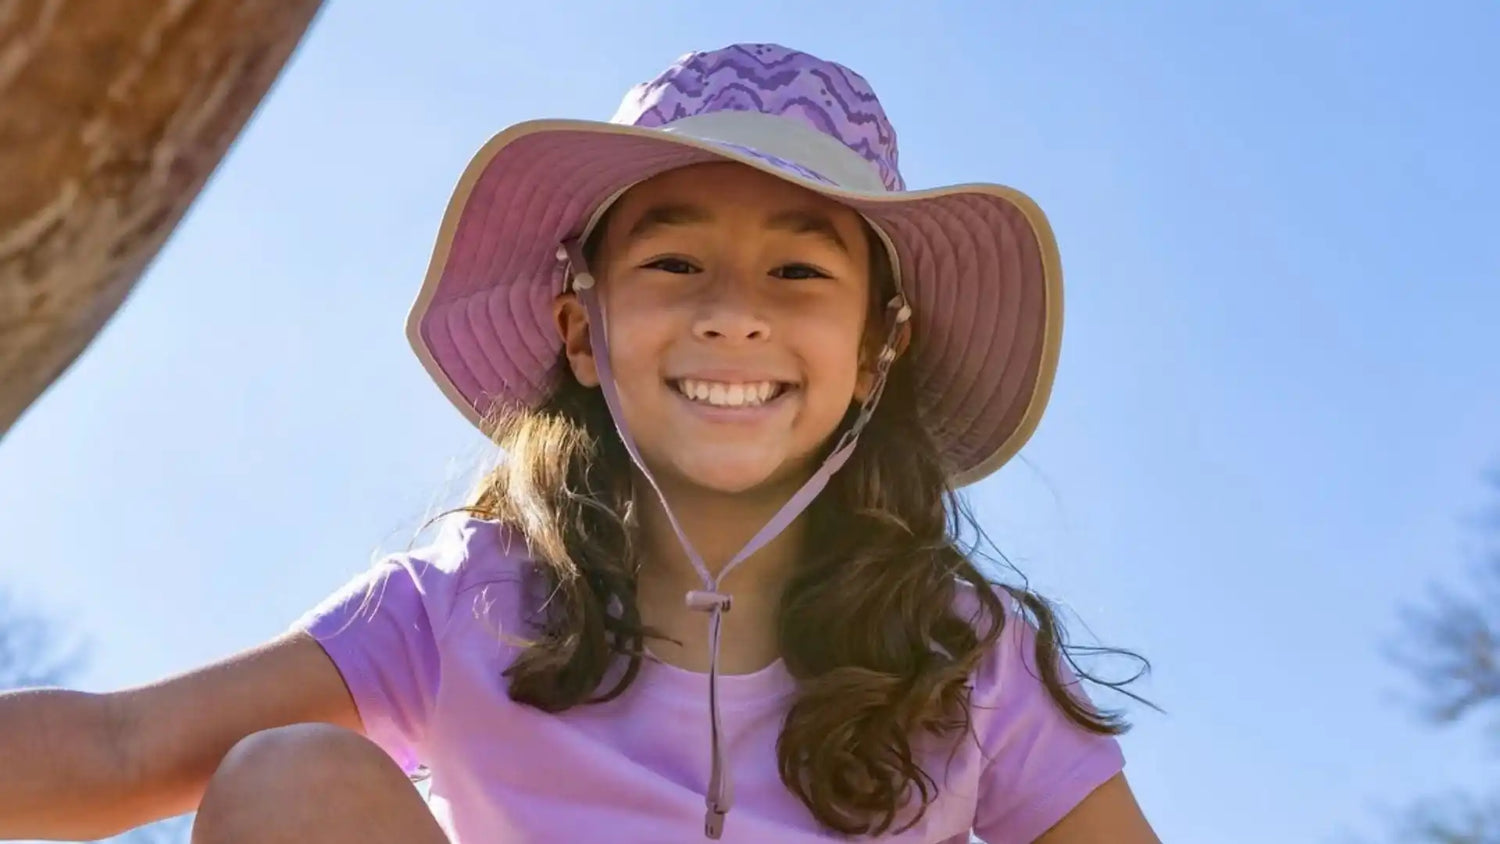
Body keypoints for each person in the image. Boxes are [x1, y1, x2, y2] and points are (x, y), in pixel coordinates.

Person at [0, 43, 1158, 843]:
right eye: (673, 261)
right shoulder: (467, 596)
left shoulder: (963, 652)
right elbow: (121, 744)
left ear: (876, 351)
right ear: (582, 331)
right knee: (288, 776)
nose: (733, 312)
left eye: (800, 270)